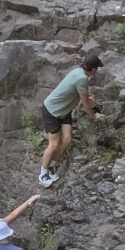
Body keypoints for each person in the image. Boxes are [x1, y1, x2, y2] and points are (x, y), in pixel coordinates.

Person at [38, 53, 105, 187]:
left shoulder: (78, 72)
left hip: (64, 111)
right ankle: (43, 174)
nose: (97, 71)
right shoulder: (82, 79)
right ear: (93, 69)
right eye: (97, 68)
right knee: (54, 144)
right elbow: (86, 105)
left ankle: (51, 164)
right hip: (52, 111)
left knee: (67, 138)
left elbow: (79, 94)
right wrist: (94, 115)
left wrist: (87, 97)